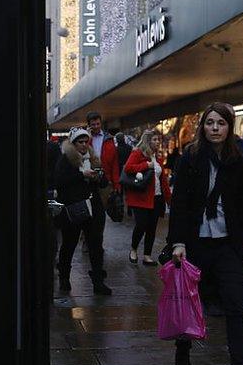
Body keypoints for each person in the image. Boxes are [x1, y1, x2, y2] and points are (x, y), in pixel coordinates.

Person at [165, 103, 243, 365]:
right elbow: (180, 204)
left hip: (227, 246)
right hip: (195, 244)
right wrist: (178, 243)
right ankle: (183, 352)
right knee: (188, 304)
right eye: (210, 123)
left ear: (229, 127)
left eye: (221, 123)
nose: (215, 128)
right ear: (203, 127)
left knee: (236, 307)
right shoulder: (190, 159)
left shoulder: (238, 160)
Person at [54, 127, 112, 295]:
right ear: (73, 143)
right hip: (74, 210)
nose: (84, 145)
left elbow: (103, 183)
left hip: (93, 209)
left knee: (96, 246)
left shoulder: (94, 158)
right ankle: (64, 277)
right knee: (69, 244)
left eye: (86, 141)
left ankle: (98, 282)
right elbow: (60, 181)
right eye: (80, 142)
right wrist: (82, 176)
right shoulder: (66, 159)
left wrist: (99, 177)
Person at [124, 130, 171, 266]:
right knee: (141, 225)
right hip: (141, 198)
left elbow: (163, 180)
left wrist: (169, 199)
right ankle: (133, 249)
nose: (157, 142)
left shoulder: (158, 156)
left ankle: (147, 255)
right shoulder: (138, 153)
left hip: (156, 198)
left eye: (158, 140)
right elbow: (128, 168)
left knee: (152, 227)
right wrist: (146, 165)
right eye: (154, 140)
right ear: (148, 141)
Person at [87, 112, 120, 212]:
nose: (96, 126)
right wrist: (88, 138)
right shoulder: (85, 139)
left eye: (98, 124)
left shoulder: (109, 139)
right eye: (93, 124)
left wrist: (116, 184)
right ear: (89, 125)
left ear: (101, 123)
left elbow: (115, 164)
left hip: (106, 180)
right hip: (89, 180)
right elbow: (82, 154)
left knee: (102, 210)